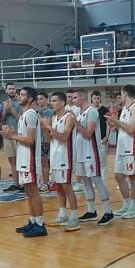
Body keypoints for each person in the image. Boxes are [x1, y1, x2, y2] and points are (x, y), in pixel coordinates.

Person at [3, 87, 46, 237]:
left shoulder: (31, 114)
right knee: (28, 191)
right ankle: (33, 221)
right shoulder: (24, 114)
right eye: (19, 94)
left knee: (33, 191)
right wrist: (10, 134)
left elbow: (30, 140)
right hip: (23, 157)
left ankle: (40, 224)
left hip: (30, 159)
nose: (19, 96)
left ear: (30, 98)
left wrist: (12, 136)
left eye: (22, 95)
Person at [40, 92, 80, 232]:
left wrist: (49, 127)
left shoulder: (69, 117)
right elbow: (50, 139)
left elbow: (64, 137)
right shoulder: (54, 118)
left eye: (54, 101)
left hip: (65, 157)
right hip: (55, 155)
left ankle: (74, 218)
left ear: (62, 102)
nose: (52, 103)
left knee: (67, 186)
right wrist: (45, 128)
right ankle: (62, 215)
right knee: (58, 186)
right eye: (51, 101)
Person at [76, 91, 115, 226]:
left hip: (91, 152)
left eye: (75, 97)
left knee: (97, 180)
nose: (73, 100)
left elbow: (88, 133)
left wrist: (76, 124)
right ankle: (91, 211)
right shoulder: (79, 113)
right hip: (81, 152)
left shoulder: (92, 111)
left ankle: (108, 211)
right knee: (85, 181)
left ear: (82, 97)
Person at [107, 85, 135, 219]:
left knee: (132, 177)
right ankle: (126, 205)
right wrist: (113, 123)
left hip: (131, 147)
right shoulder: (124, 109)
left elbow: (132, 129)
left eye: (121, 94)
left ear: (125, 94)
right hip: (121, 147)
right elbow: (123, 128)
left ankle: (133, 208)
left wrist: (116, 121)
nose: (120, 97)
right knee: (118, 176)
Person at [1, 83, 23, 193]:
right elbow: (1, 120)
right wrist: (5, 110)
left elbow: (21, 119)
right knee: (12, 160)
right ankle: (16, 183)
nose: (12, 90)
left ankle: (24, 183)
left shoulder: (20, 103)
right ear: (6, 91)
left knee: (21, 160)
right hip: (7, 134)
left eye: (13, 88)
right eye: (9, 89)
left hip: (18, 134)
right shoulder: (4, 103)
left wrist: (11, 109)